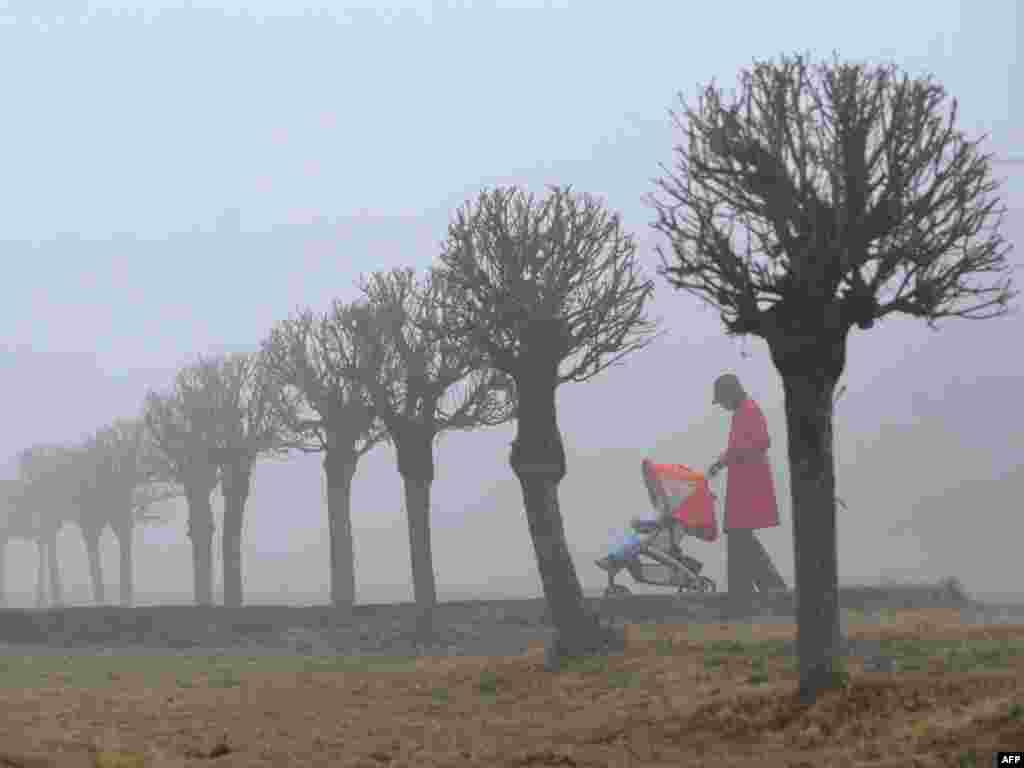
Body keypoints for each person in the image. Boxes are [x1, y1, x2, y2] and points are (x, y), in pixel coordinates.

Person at [707, 373, 787, 597]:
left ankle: (761, 588)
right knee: (739, 537)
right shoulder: (744, 412)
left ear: (730, 394)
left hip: (749, 485)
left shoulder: (748, 411)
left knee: (738, 536)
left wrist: (723, 461)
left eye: (721, 400)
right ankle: (755, 588)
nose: (722, 405)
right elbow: (741, 446)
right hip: (744, 483)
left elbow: (758, 443)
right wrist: (722, 461)